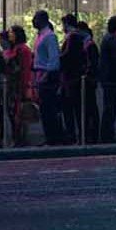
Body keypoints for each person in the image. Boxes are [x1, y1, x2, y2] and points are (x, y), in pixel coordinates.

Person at [32, 11, 65, 145]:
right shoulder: (40, 36)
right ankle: (50, 137)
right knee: (45, 110)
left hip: (47, 77)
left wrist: (45, 76)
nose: (33, 21)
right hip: (40, 75)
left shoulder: (49, 36)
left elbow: (53, 59)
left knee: (49, 109)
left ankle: (54, 138)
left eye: (35, 19)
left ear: (42, 20)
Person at [4, 25, 37, 145]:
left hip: (18, 86)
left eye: (11, 33)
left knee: (17, 113)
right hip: (16, 85)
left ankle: (19, 138)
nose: (9, 35)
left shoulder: (21, 50)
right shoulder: (20, 49)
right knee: (15, 113)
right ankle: (18, 138)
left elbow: (19, 68)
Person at [98, 15, 116, 143]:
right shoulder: (113, 40)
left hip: (107, 78)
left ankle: (106, 134)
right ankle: (108, 135)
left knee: (109, 107)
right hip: (112, 79)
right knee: (110, 108)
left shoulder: (107, 39)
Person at [58, 15, 86, 144]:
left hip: (70, 78)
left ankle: (73, 135)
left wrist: (57, 57)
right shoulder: (77, 37)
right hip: (72, 78)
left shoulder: (72, 37)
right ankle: (77, 134)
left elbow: (67, 56)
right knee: (74, 108)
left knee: (70, 109)